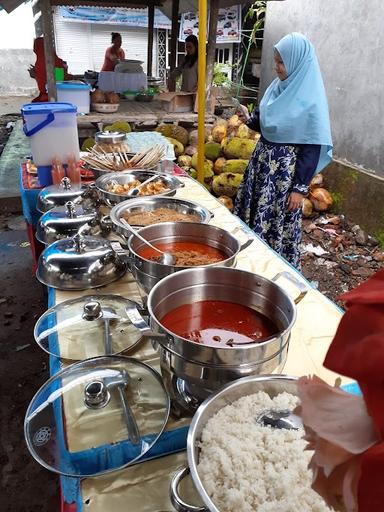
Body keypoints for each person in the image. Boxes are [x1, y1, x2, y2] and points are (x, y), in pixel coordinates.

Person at [234, 33, 332, 269]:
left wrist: (299, 188)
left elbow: (311, 148)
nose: (276, 67)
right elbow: (265, 122)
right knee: (253, 214)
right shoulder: (276, 90)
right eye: (275, 60)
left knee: (275, 222)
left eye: (281, 62)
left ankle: (272, 271)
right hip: (261, 168)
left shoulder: (311, 101)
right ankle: (249, 264)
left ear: (297, 62)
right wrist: (248, 118)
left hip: (283, 179)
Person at [28, 37, 72, 103]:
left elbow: (59, 81)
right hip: (55, 93)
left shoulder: (41, 62)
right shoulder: (57, 61)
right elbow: (60, 80)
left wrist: (35, 75)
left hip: (52, 95)